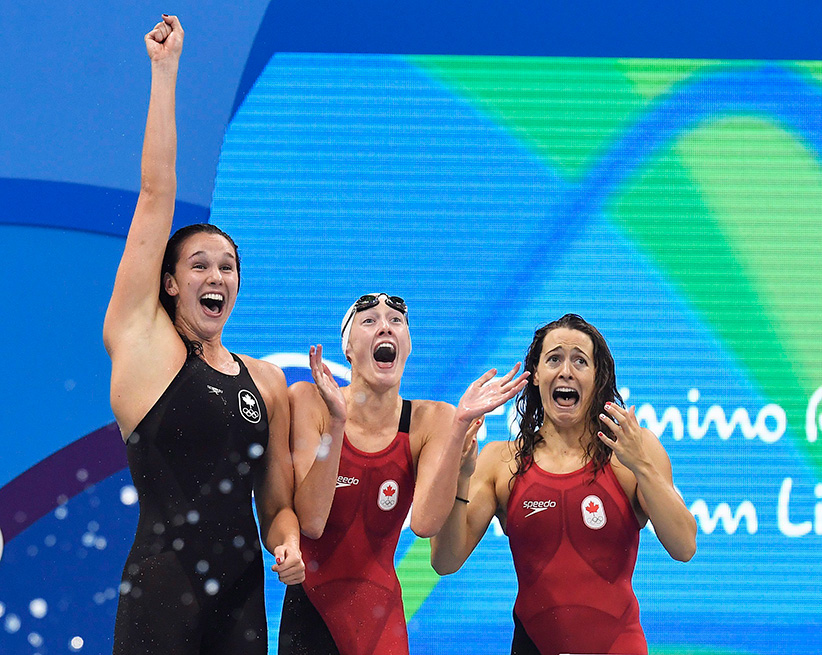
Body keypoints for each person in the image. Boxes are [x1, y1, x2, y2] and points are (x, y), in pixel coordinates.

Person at [103, 16, 304, 655]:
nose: (216, 275)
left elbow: (275, 506)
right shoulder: (143, 345)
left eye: (228, 267)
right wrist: (166, 72)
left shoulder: (264, 381)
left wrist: (288, 541)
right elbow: (157, 191)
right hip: (163, 591)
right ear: (167, 284)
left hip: (243, 596)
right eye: (198, 265)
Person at [430, 313, 697, 655]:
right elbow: (446, 561)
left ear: (597, 377)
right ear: (536, 374)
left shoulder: (632, 450)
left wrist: (642, 465)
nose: (566, 371)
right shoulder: (502, 462)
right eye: (554, 358)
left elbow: (684, 546)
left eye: (580, 361)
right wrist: (461, 476)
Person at [278, 293, 529, 655]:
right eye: (369, 321)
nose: (385, 326)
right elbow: (313, 521)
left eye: (396, 321)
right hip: (309, 613)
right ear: (348, 348)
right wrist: (337, 421)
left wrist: (458, 427)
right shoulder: (310, 400)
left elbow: (425, 524)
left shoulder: (433, 420)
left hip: (381, 621)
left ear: (407, 345)